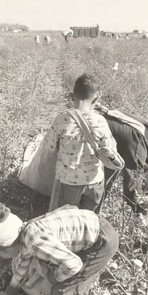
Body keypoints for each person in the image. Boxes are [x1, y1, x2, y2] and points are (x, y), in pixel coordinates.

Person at [0, 203, 119, 295]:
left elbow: (74, 265)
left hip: (102, 242)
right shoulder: (25, 232)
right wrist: (9, 292)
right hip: (92, 225)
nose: (1, 257)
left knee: (61, 291)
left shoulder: (35, 243)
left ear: (5, 247)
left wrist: (51, 277)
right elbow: (23, 262)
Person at [45, 74, 123, 212]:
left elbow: (49, 148)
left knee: (68, 218)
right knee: (90, 219)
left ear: (71, 96)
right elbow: (111, 149)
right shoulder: (100, 121)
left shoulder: (61, 119)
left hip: (68, 182)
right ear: (96, 99)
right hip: (94, 181)